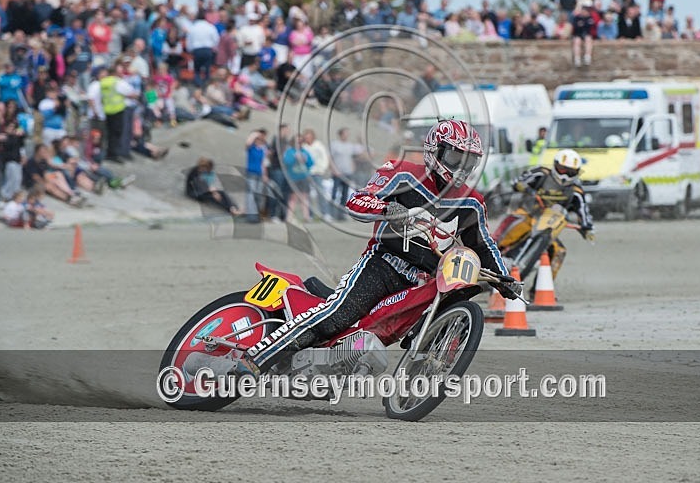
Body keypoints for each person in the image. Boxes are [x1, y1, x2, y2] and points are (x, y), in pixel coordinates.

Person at [185, 120, 515, 380]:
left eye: (468, 160)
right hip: (384, 264)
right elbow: (356, 200)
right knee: (337, 315)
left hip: (423, 280)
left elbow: (484, 244)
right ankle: (254, 360)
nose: (461, 166)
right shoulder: (402, 172)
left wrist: (504, 278)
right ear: (435, 151)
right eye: (456, 156)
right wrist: (386, 210)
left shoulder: (473, 201)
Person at [509, 149, 594, 289]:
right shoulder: (541, 173)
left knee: (559, 251)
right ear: (555, 165)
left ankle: (540, 290)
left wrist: (587, 227)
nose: (565, 175)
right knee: (511, 232)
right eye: (562, 169)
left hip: (548, 226)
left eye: (570, 172)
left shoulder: (576, 190)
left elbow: (583, 210)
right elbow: (518, 182)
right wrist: (522, 186)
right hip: (527, 214)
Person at [283, 133, 314, 223]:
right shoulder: (290, 151)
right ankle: (289, 218)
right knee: (293, 198)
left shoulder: (305, 151)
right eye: (297, 141)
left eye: (300, 141)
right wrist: (295, 158)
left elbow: (311, 163)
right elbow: (286, 162)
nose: (299, 143)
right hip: (294, 178)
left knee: (304, 197)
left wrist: (305, 160)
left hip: (304, 177)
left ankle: (306, 217)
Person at [245, 129, 267, 223]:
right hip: (251, 173)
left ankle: (257, 214)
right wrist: (254, 134)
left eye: (260, 139)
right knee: (251, 194)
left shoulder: (262, 149)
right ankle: (251, 216)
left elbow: (263, 163)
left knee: (258, 195)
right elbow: (247, 142)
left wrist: (265, 174)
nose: (259, 141)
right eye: (257, 139)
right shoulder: (251, 148)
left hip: (259, 174)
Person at [572, 0, 596, 67]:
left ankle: (587, 57)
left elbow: (591, 25)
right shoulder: (577, 17)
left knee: (588, 40)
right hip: (578, 34)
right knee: (577, 41)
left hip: (587, 34)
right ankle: (577, 59)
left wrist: (583, 24)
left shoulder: (590, 17)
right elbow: (576, 26)